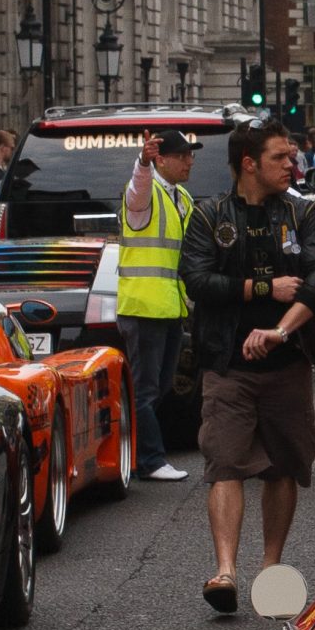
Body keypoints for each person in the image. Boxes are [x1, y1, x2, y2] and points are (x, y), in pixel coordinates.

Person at [179, 121, 315, 615]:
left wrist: (279, 331)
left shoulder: (301, 212)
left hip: (287, 362)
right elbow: (196, 280)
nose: (292, 164)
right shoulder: (209, 214)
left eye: (291, 156)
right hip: (227, 363)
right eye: (280, 157)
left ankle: (271, 569)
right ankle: (225, 571)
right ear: (249, 163)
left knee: (281, 466)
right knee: (225, 462)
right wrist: (263, 289)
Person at [118, 127, 198, 484]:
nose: (189, 161)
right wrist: (142, 162)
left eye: (190, 155)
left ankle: (139, 456)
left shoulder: (182, 197)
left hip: (170, 307)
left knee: (161, 387)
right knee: (145, 389)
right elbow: (137, 189)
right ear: (160, 160)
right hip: (143, 306)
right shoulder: (145, 193)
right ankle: (149, 460)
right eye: (182, 156)